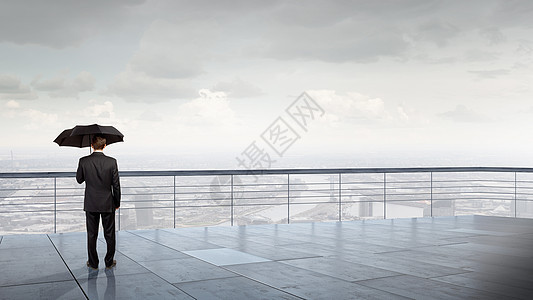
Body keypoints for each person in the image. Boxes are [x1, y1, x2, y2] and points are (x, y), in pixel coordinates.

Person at [76, 135, 121, 270]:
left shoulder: (83, 161)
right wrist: (117, 202)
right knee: (109, 234)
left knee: (91, 234)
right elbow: (116, 185)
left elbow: (79, 179)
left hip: (91, 203)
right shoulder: (112, 162)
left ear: (91, 145)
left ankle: (93, 263)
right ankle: (108, 262)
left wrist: (85, 168)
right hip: (108, 203)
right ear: (105, 146)